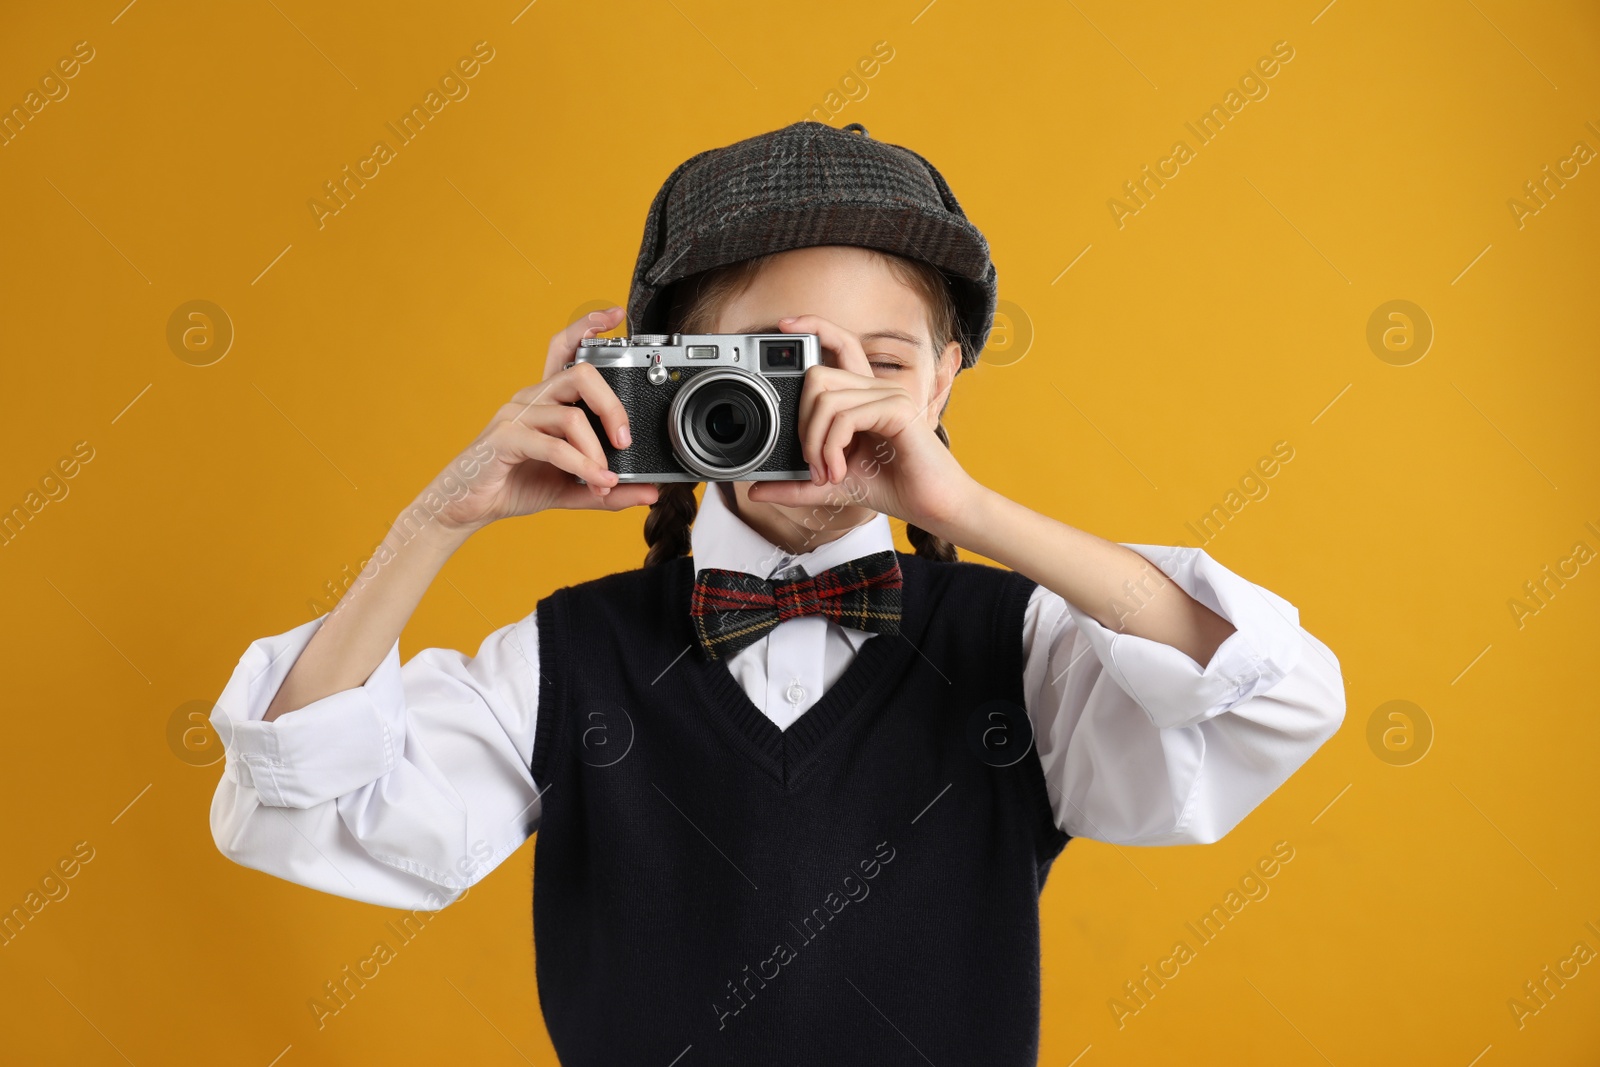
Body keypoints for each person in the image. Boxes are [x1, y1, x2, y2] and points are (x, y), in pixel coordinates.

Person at [208, 121, 1345, 1064]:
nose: (826, 412)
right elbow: (298, 805)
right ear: (660, 376)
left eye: (882, 364)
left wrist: (968, 511)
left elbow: (1267, 697)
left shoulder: (1028, 646)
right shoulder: (569, 657)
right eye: (770, 366)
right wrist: (436, 518)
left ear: (948, 379)